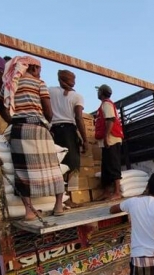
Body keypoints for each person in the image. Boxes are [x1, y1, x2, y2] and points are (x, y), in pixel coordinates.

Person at [0, 56, 64, 221]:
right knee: (53, 167)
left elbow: (0, 107)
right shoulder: (39, 83)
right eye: (39, 70)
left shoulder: (8, 83)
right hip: (39, 129)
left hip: (19, 130)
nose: (40, 73)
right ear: (32, 68)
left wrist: (13, 120)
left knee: (23, 171)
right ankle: (58, 206)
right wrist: (47, 124)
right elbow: (48, 111)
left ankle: (29, 211)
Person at [49, 70, 87, 208]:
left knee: (57, 164)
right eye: (73, 78)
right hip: (69, 131)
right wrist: (85, 140)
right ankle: (69, 198)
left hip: (53, 131)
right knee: (73, 165)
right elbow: (78, 117)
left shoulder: (50, 91)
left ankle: (59, 200)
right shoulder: (77, 96)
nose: (74, 80)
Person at [95, 84, 124, 201]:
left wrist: (106, 137)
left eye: (98, 91)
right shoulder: (104, 104)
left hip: (111, 139)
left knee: (113, 164)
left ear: (101, 92)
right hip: (107, 140)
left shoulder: (107, 104)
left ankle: (117, 192)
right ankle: (106, 192)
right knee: (106, 167)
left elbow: (110, 120)